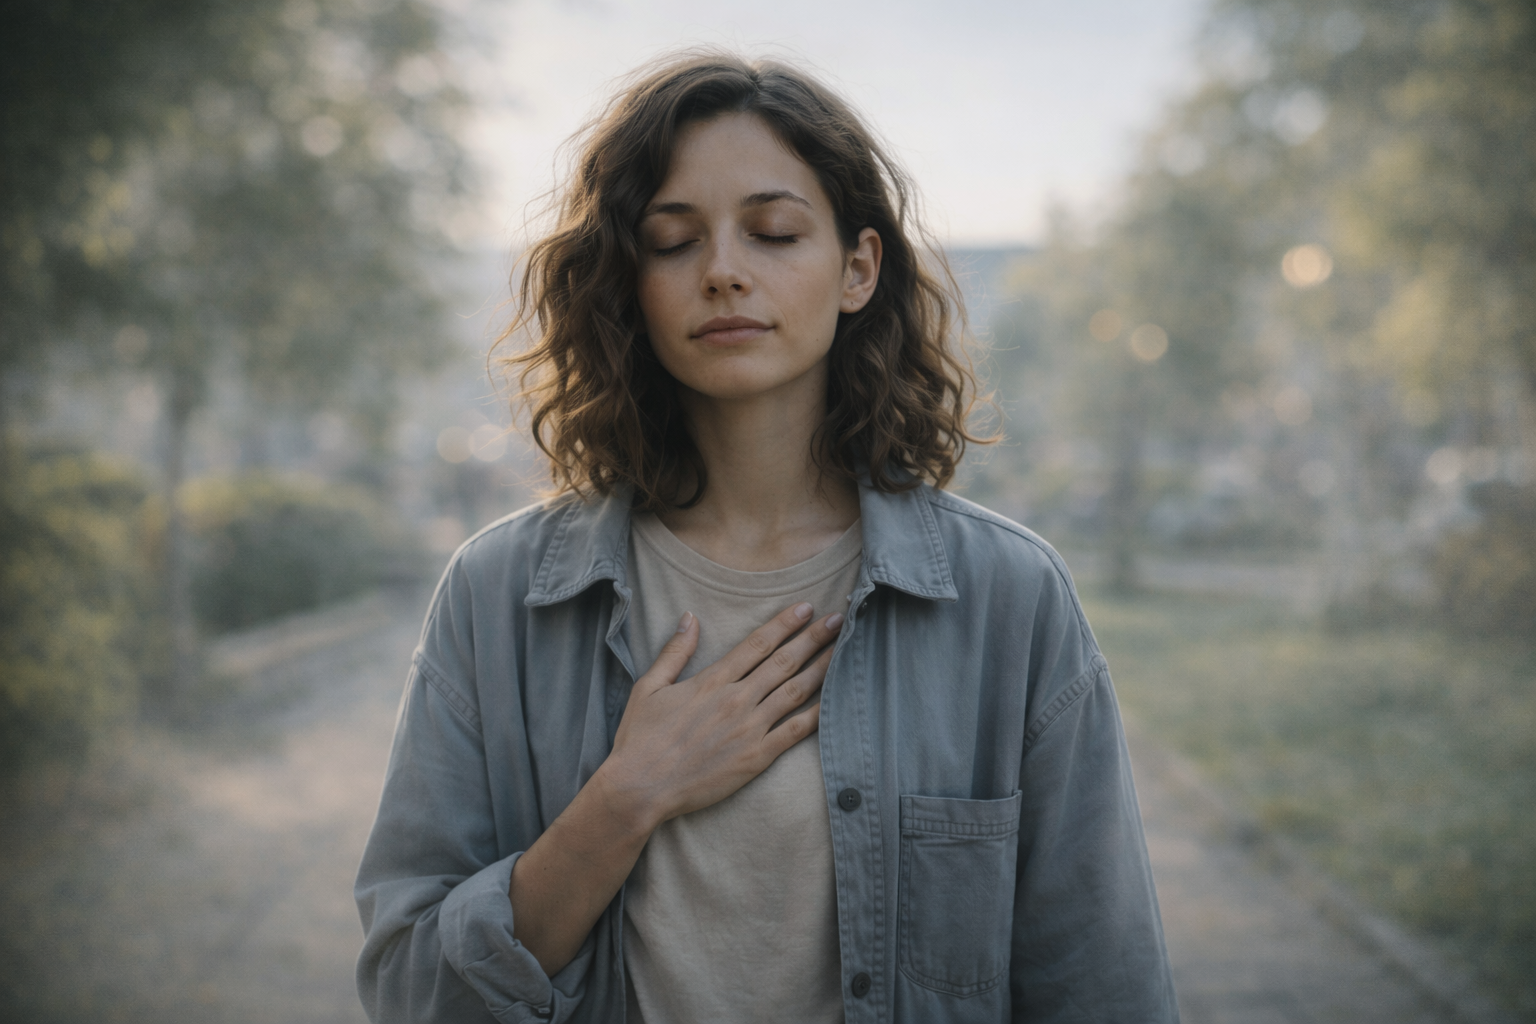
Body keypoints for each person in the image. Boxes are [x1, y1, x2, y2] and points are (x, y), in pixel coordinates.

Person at [355, 50, 1178, 1024]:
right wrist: (624, 799)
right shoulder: (496, 597)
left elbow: (1104, 988)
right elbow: (411, 988)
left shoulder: (1009, 598)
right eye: (672, 241)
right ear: (630, 283)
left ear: (858, 268)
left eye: (776, 231)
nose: (724, 272)